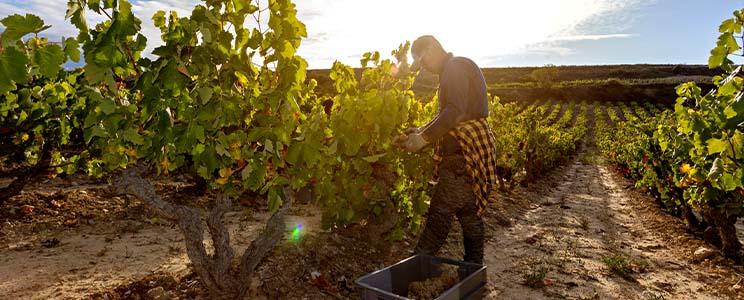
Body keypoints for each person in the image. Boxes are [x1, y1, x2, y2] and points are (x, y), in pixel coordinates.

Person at [401, 35, 498, 265]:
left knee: (439, 216)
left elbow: (453, 112)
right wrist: (420, 129)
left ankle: (415, 270)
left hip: (462, 156)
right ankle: (474, 272)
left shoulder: (454, 68)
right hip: (470, 153)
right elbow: (450, 116)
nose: (423, 67)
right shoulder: (454, 69)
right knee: (469, 216)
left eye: (423, 61)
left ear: (433, 48)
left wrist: (423, 138)